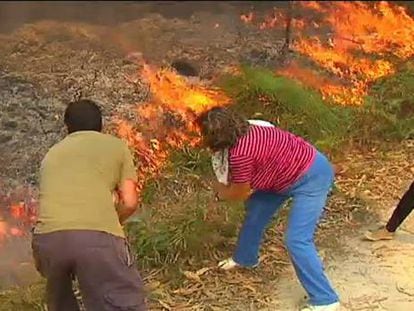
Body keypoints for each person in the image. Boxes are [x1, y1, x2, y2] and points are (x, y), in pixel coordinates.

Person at [196, 107, 340, 311]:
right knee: (255, 209)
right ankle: (245, 258)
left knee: (296, 239)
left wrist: (221, 194)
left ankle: (326, 299)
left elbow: (240, 192)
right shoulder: (252, 125)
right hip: (280, 179)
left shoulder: (240, 154)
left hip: (312, 176)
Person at [32, 99, 146, 311]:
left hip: (47, 242)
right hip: (96, 240)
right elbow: (130, 202)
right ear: (100, 124)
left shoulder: (52, 154)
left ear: (68, 127)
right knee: (120, 302)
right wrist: (113, 221)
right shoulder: (116, 146)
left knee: (60, 303)